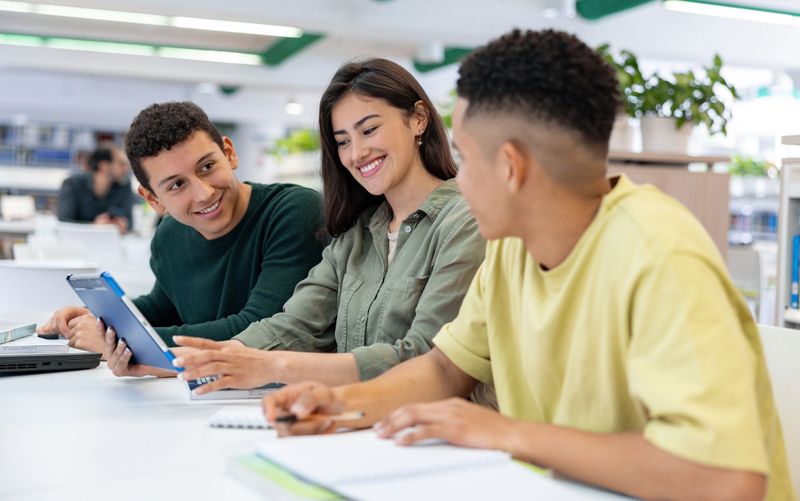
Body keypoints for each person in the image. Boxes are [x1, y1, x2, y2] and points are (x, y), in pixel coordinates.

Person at [261, 30, 794, 501]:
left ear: (511, 167)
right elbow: (446, 368)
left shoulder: (659, 254)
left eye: (467, 158)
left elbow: (726, 481)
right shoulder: (512, 249)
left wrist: (509, 434)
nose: (458, 180)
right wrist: (338, 404)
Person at [111, 58, 486, 391]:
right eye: (342, 141)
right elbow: (294, 324)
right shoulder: (357, 235)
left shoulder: (468, 220)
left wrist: (272, 365)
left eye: (369, 130)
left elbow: (429, 359)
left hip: (445, 440)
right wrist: (189, 361)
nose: (357, 153)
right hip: (362, 427)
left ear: (418, 119)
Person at [39, 102, 326, 366]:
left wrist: (122, 340)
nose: (204, 193)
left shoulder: (295, 211)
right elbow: (164, 307)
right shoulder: (170, 233)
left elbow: (259, 328)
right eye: (176, 185)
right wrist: (99, 318)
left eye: (207, 166)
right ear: (153, 200)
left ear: (229, 153)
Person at [57, 144, 134, 234]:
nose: (127, 168)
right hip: (78, 242)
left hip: (111, 241)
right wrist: (94, 226)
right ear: (103, 166)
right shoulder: (72, 184)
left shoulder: (124, 185)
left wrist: (122, 224)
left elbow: (130, 223)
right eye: (121, 164)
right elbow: (64, 222)